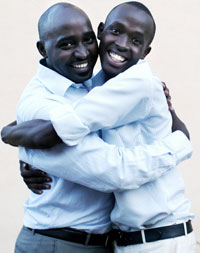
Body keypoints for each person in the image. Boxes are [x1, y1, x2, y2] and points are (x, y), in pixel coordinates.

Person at [1, 2, 195, 253]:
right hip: (60, 243)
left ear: (146, 51)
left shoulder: (121, 86)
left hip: (155, 241)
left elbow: (66, 130)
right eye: (67, 44)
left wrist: (23, 143)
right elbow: (111, 171)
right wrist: (19, 141)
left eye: (86, 40)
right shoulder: (54, 97)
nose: (82, 53)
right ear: (103, 32)